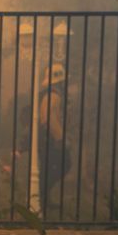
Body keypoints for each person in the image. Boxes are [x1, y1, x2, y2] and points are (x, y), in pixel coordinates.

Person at [38, 62, 71, 214]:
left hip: (48, 138)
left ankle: (44, 199)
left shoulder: (51, 93)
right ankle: (41, 197)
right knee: (64, 164)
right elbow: (47, 117)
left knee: (50, 168)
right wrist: (59, 138)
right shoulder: (53, 95)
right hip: (51, 139)